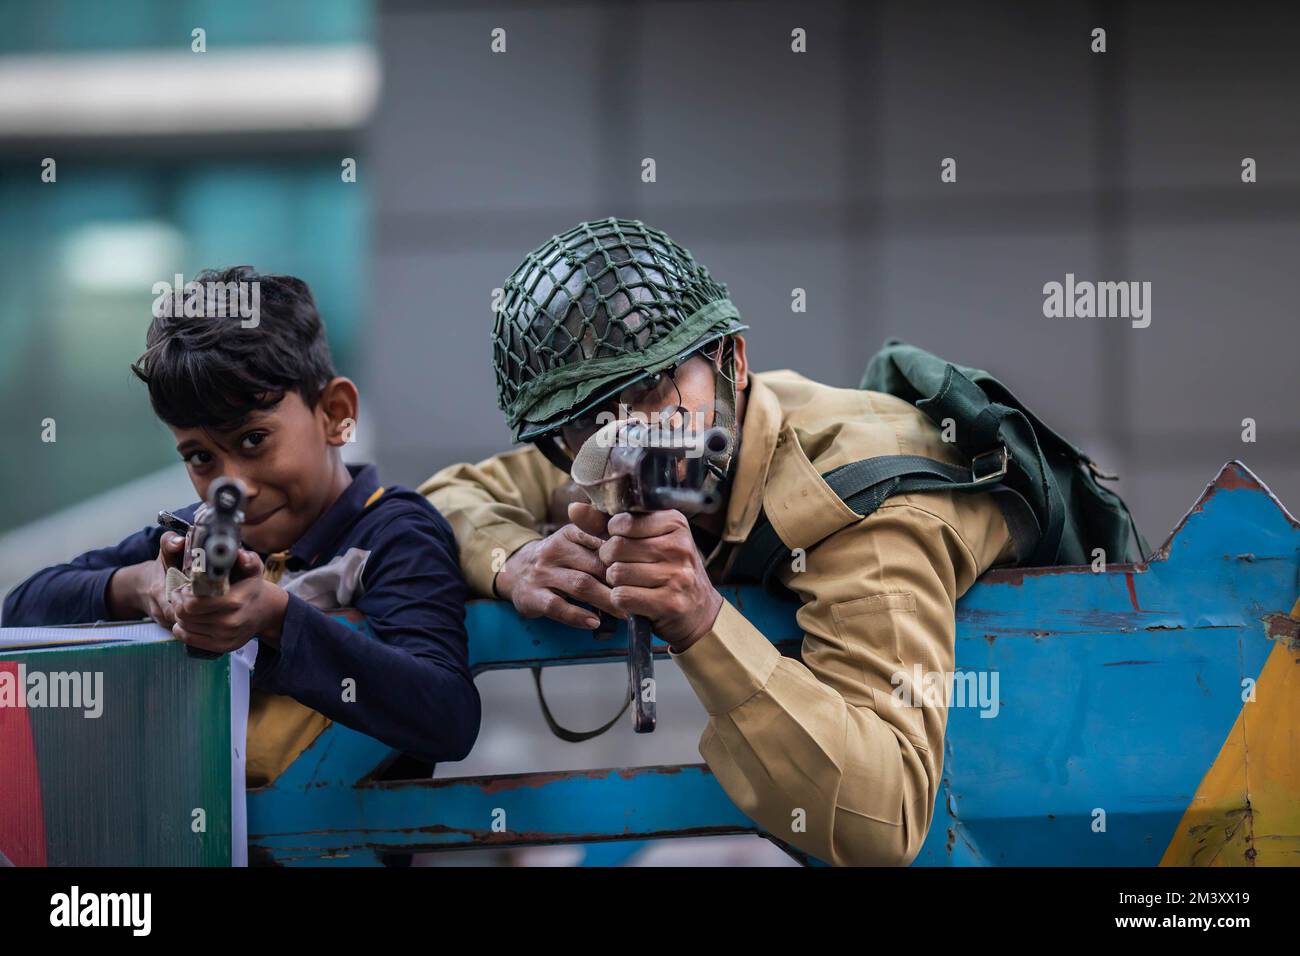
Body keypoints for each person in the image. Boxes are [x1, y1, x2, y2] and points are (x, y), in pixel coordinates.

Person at [421, 217, 1017, 865]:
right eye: (591, 419)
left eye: (652, 389)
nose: (630, 435)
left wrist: (701, 620)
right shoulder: (606, 450)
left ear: (731, 360)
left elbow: (886, 817)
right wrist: (520, 562)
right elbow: (444, 500)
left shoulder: (864, 501)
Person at [3, 266, 480, 787]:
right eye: (201, 456)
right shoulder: (188, 536)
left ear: (335, 414)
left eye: (254, 440)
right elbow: (20, 613)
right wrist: (141, 587)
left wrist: (276, 618)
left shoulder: (394, 536)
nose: (235, 486)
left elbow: (447, 716)